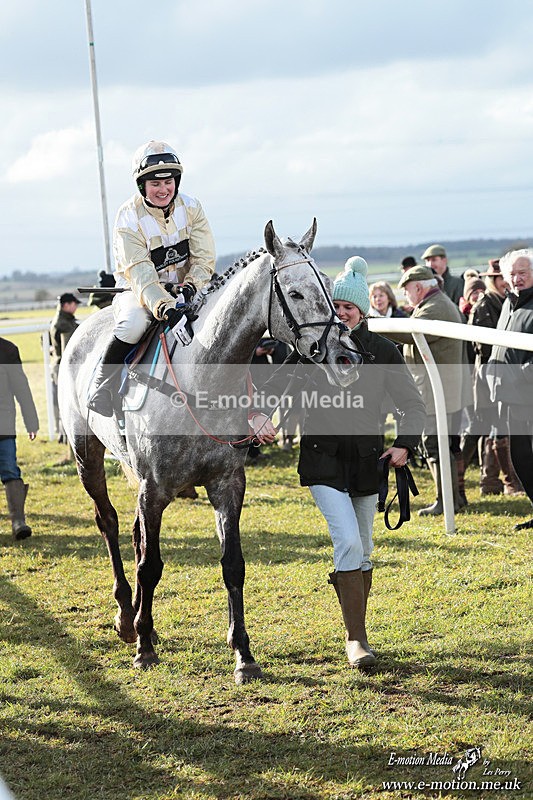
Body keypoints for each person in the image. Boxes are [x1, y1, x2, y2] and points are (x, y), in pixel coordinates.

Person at [250, 257, 425, 669]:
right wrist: (259, 416)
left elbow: (413, 406)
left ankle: (358, 631)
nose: (342, 313)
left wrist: (403, 444)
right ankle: (356, 640)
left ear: (363, 310)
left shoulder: (384, 352)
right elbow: (271, 390)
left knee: (363, 548)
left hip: (369, 463)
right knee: (346, 540)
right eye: (337, 306)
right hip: (321, 461)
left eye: (349, 307)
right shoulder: (310, 351)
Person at [88, 140, 216, 417]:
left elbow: (204, 257)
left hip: (186, 287)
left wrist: (190, 288)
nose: (163, 189)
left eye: (168, 182)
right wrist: (166, 308)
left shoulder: (192, 207)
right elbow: (141, 272)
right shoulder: (128, 216)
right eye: (154, 184)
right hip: (138, 291)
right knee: (134, 323)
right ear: (142, 186)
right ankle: (103, 384)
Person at [391, 265, 466, 515]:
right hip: (442, 390)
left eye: (407, 292)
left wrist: (371, 325)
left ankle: (446, 502)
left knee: (435, 447)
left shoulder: (435, 308)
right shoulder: (437, 304)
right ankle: (453, 499)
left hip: (438, 392)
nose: (406, 298)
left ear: (418, 287)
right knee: (443, 446)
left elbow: (412, 333)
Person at [464, 260, 523, 496]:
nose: (507, 281)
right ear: (494, 280)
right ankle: (493, 481)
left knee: (497, 426)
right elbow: (483, 346)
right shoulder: (485, 304)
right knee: (490, 426)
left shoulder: (505, 301)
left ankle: (494, 481)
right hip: (490, 373)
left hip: (502, 372)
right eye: (502, 278)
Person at [488, 249, 533, 531]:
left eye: (523, 273)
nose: (516, 279)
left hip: (526, 391)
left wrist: (518, 377)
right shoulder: (509, 303)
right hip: (510, 395)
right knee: (520, 456)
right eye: (512, 274)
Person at [0, 337, 39, 540]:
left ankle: (18, 522)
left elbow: (21, 388)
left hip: (3, 426)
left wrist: (31, 422)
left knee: (9, 470)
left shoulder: (7, 350)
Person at [49, 292, 80, 441]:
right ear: (66, 305)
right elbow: (70, 346)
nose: (76, 307)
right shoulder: (63, 323)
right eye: (74, 304)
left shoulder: (63, 320)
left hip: (59, 365)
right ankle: (65, 435)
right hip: (63, 367)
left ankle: (64, 434)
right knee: (67, 401)